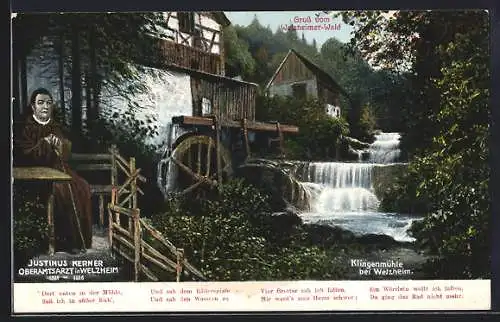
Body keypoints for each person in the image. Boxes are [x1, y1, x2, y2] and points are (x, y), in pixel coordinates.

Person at [15, 88, 93, 254]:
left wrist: (61, 144)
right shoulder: (26, 127)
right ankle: (64, 242)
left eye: (48, 103)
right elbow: (24, 154)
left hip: (59, 169)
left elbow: (65, 153)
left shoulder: (55, 126)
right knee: (60, 190)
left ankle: (80, 240)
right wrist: (43, 143)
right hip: (36, 173)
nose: (45, 107)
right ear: (33, 106)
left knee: (82, 186)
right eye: (41, 103)